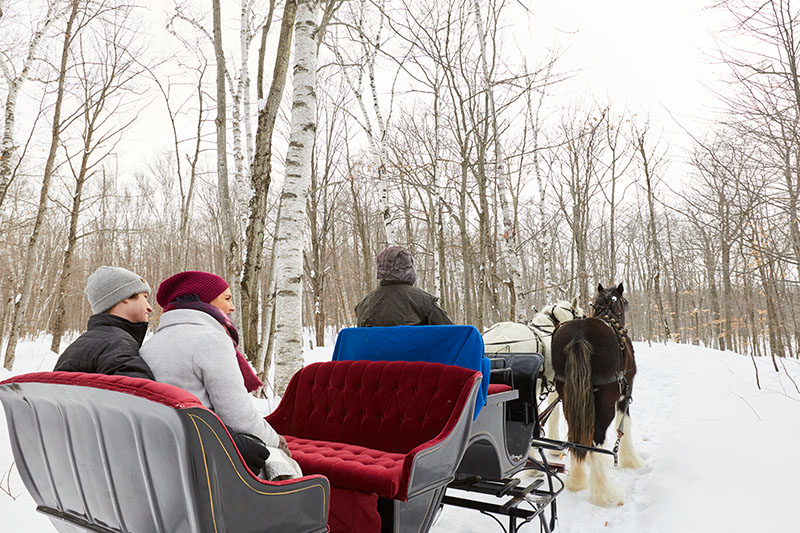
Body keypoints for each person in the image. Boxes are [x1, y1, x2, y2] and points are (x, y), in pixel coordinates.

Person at [140, 270, 301, 480]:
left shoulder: (152, 343)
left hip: (171, 452)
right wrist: (276, 440)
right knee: (284, 464)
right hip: (209, 460)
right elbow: (238, 417)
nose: (232, 307)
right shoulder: (210, 340)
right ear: (205, 300)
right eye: (227, 298)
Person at [54, 266, 154, 379]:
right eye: (144, 297)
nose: (149, 308)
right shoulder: (118, 346)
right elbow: (140, 395)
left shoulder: (73, 349)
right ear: (126, 296)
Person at [355, 245, 453, 327]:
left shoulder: (364, 305)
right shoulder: (424, 301)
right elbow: (451, 333)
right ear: (408, 269)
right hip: (417, 350)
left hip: (375, 351)